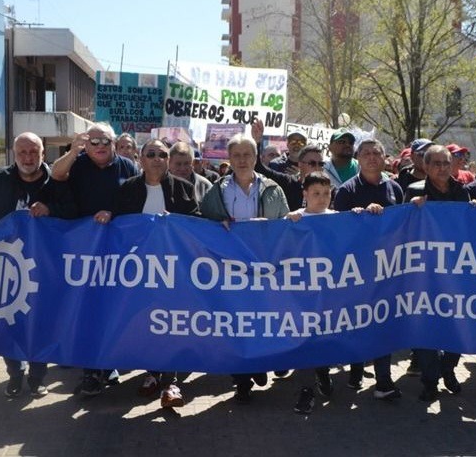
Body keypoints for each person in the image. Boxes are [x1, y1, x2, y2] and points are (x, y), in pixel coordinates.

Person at [50, 122, 140, 396]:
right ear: (86, 144)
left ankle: (110, 363)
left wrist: (112, 212)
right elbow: (56, 175)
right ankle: (90, 372)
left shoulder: (127, 167)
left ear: (114, 144)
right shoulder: (77, 163)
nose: (100, 146)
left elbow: (136, 200)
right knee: (87, 311)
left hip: (119, 254)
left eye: (105, 142)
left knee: (114, 309)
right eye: (94, 141)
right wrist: (73, 150)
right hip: (85, 252)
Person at [0, 132, 58, 399]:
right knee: (10, 320)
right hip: (7, 263)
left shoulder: (57, 181)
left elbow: (72, 207)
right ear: (14, 154)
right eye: (22, 153)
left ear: (43, 154)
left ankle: (38, 377)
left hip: (44, 264)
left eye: (33, 152)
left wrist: (51, 208)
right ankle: (15, 374)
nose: (28, 158)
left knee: (39, 321)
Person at [200, 133, 289, 403]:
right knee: (236, 323)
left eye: (246, 155)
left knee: (261, 320)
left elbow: (285, 226)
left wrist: (271, 227)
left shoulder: (273, 188)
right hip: (231, 269)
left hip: (264, 267)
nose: (241, 160)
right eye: (236, 155)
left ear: (256, 158)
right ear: (229, 158)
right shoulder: (217, 191)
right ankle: (241, 379)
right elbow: (202, 224)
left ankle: (258, 364)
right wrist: (218, 224)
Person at [114, 139, 199, 408]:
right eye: (150, 154)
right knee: (147, 323)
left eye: (162, 154)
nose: (157, 158)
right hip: (139, 271)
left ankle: (171, 383)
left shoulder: (184, 187)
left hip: (173, 270)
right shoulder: (127, 189)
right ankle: (151, 374)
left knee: (170, 324)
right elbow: (117, 227)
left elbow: (196, 220)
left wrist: (175, 222)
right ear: (141, 159)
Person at [334, 139, 403, 401]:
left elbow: (404, 224)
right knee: (359, 321)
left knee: (382, 321)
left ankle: (383, 380)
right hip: (357, 269)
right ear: (358, 158)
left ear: (385, 157)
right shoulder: (346, 190)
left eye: (377, 153)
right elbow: (338, 230)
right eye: (366, 154)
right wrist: (357, 217)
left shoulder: (395, 188)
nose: (372, 158)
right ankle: (355, 370)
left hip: (388, 268)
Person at [404, 145, 471, 401]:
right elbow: (404, 229)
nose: (442, 168)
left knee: (457, 322)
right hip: (424, 272)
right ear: (426, 167)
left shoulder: (462, 191)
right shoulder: (414, 191)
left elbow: (468, 227)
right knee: (425, 327)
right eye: (436, 164)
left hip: (456, 268)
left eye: (446, 163)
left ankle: (449, 369)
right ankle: (430, 380)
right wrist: (412, 210)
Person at [285, 172, 337, 413]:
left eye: (326, 193)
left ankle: (323, 371)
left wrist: (365, 213)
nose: (322, 198)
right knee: (305, 339)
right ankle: (307, 389)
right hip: (301, 294)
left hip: (328, 292)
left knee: (324, 337)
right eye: (316, 193)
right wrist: (289, 220)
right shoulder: (296, 218)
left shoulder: (338, 218)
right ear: (304, 194)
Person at [251, 119, 328, 210]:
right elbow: (259, 168)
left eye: (321, 164)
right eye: (312, 163)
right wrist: (256, 142)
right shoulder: (289, 183)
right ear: (300, 164)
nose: (317, 167)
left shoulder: (329, 189)